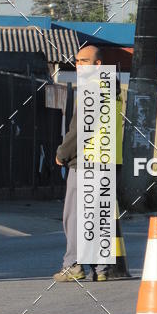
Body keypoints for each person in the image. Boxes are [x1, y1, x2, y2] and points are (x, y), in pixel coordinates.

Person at [54, 44, 109, 283]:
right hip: (105, 162)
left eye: (84, 61)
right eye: (77, 61)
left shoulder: (91, 90)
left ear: (98, 64)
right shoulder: (111, 88)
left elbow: (78, 132)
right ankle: (101, 268)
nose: (79, 65)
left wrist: (62, 154)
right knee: (98, 215)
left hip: (86, 162)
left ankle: (73, 265)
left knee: (74, 216)